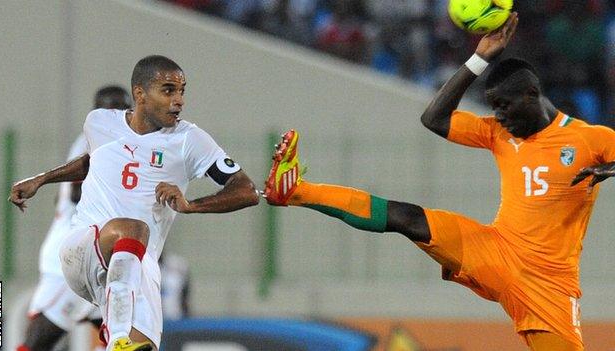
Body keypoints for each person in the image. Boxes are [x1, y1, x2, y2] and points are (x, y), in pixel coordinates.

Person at [263, 13, 615, 351]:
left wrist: (610, 168)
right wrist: (478, 59)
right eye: (494, 108)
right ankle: (294, 190)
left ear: (532, 94)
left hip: (548, 281)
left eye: (505, 107)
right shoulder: (497, 133)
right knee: (409, 219)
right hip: (495, 248)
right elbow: (434, 118)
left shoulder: (588, 139)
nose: (500, 117)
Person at [10, 55, 259, 351]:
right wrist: (42, 179)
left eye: (182, 91)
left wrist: (191, 205)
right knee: (132, 230)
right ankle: (117, 339)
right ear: (140, 94)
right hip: (86, 248)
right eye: (168, 90)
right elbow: (92, 161)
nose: (178, 100)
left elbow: (246, 190)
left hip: (139, 265)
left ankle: (117, 339)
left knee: (145, 345)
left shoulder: (189, 140)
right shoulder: (99, 122)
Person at [16, 85, 132, 351]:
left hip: (96, 257)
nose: (117, 114)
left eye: (123, 107)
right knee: (38, 342)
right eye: (110, 108)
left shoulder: (120, 143)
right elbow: (77, 192)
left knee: (121, 336)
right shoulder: (93, 142)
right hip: (71, 259)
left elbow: (62, 198)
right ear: (95, 112)